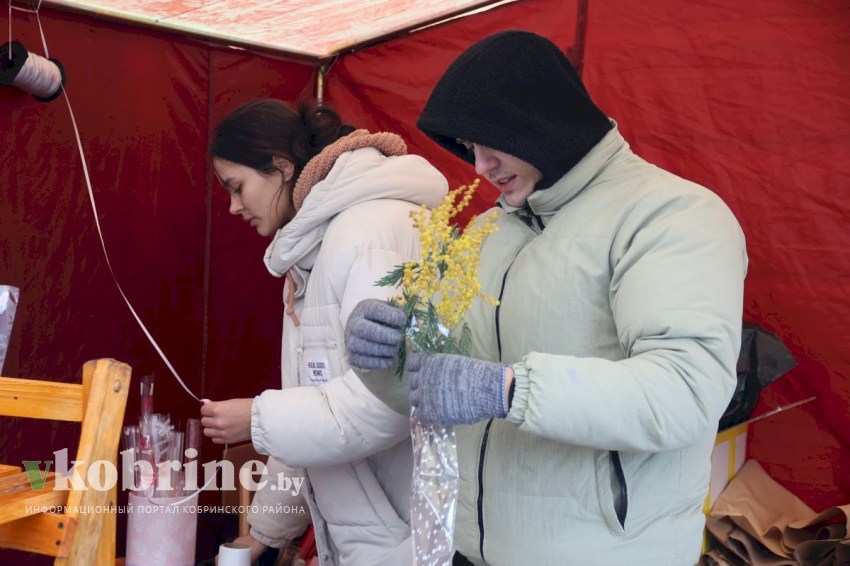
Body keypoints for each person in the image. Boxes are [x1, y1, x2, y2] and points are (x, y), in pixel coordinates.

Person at [345, 30, 748, 565]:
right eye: (469, 148)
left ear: (540, 121)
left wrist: (511, 388)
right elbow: (436, 388)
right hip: (468, 547)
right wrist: (385, 357)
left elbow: (684, 392)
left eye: (492, 140)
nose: (481, 166)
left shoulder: (669, 216)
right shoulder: (486, 233)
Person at [200, 98, 448, 565]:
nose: (233, 207)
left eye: (237, 187)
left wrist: (257, 418)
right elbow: (313, 408)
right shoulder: (314, 251)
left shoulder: (372, 229)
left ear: (280, 167)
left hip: (407, 539)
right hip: (370, 542)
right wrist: (265, 534)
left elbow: (387, 400)